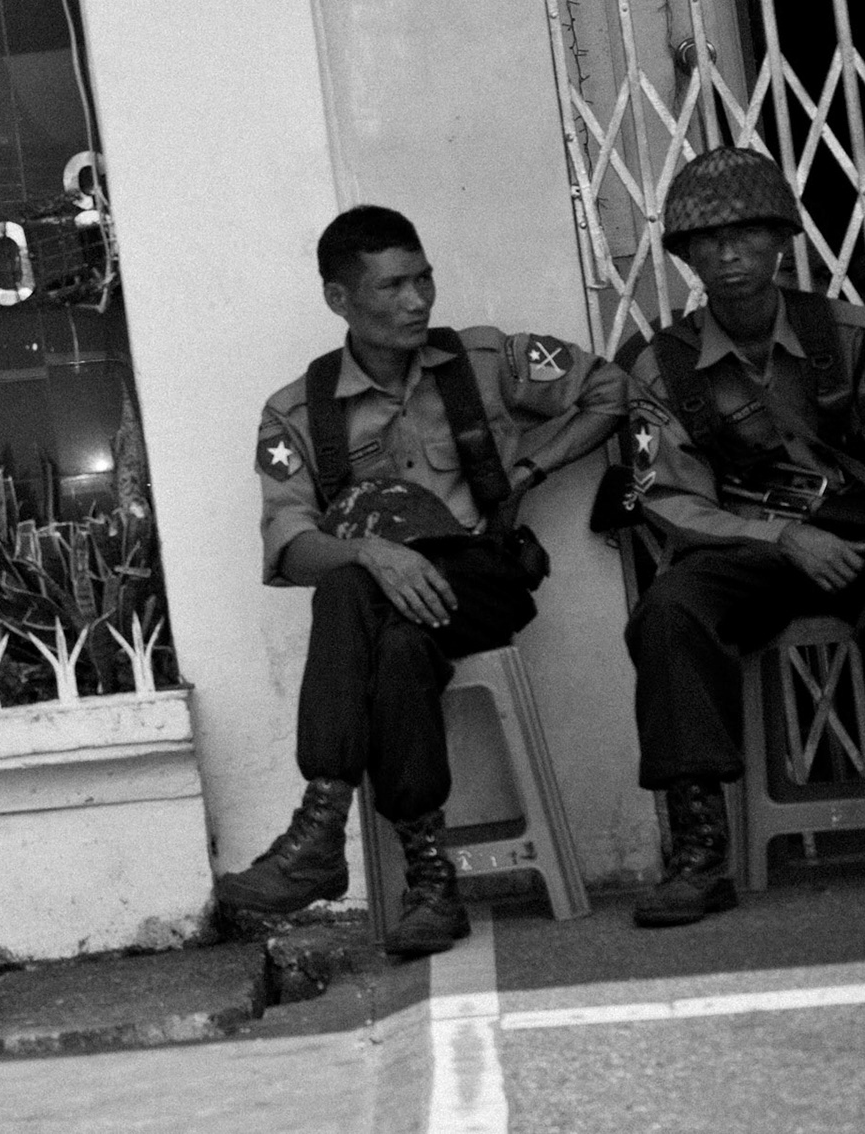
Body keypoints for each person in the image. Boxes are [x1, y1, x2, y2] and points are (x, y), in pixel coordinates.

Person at [219, 205, 628, 956]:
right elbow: (291, 548)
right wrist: (376, 553)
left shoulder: (486, 362)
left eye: (423, 280)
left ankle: (320, 831)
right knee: (392, 640)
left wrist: (529, 468)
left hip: (484, 581)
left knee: (351, 590)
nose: (417, 302)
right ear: (339, 299)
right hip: (392, 605)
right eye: (392, 287)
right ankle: (433, 887)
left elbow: (609, 390)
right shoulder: (297, 413)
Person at [622, 145, 865, 928]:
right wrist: (779, 536)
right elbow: (669, 498)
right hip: (745, 546)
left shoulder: (848, 333)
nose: (728, 253)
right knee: (668, 611)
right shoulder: (663, 365)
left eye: (747, 232)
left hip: (855, 534)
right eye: (707, 240)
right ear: (685, 257)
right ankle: (700, 849)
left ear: (782, 239)